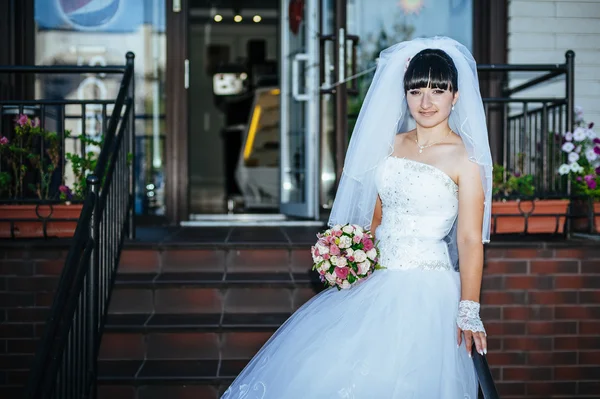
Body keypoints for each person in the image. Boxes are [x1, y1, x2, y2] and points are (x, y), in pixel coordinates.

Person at [221, 36, 493, 399]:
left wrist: (469, 310)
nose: (425, 102)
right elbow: (376, 220)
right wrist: (350, 255)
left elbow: (470, 240)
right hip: (376, 284)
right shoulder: (390, 144)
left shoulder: (466, 159)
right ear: (404, 94)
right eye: (416, 92)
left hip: (428, 293)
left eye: (437, 91)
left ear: (455, 97)